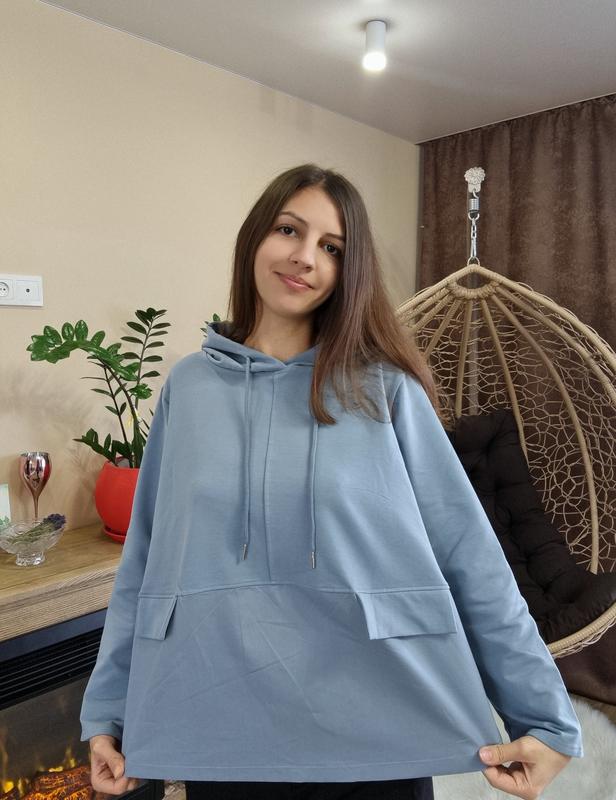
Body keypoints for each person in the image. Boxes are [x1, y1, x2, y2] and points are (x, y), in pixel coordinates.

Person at [80, 163, 583, 800]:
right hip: (223, 731)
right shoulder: (189, 387)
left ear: (350, 272)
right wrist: (109, 713)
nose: (305, 257)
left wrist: (545, 718)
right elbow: (147, 561)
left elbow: (469, 554)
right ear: (254, 238)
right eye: (289, 230)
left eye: (333, 248)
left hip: (379, 727)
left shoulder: (385, 389)